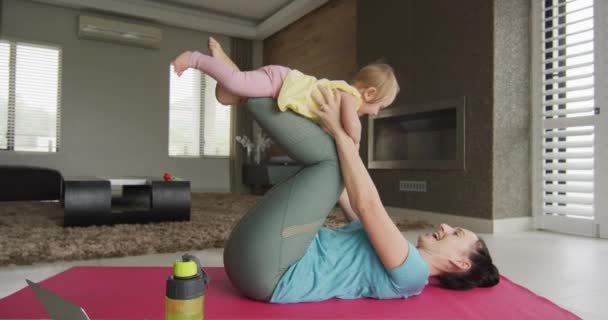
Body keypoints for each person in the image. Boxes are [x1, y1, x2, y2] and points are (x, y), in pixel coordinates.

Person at [220, 85, 499, 303]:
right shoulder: (400, 251)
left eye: (455, 233)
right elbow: (351, 197)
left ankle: (247, 93)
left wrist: (340, 135)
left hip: (272, 271)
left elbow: (367, 204)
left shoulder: (415, 274)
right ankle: (247, 93)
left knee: (331, 160)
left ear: (460, 263)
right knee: (335, 160)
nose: (445, 226)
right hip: (260, 259)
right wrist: (342, 140)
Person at [171, 37, 399, 148]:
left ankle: (224, 61)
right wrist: (355, 143)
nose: (376, 113)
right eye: (379, 107)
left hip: (280, 84)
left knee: (225, 95)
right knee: (237, 83)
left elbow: (324, 126)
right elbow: (353, 128)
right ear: (368, 93)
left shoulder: (341, 99)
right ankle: (194, 58)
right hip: (280, 81)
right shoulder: (350, 96)